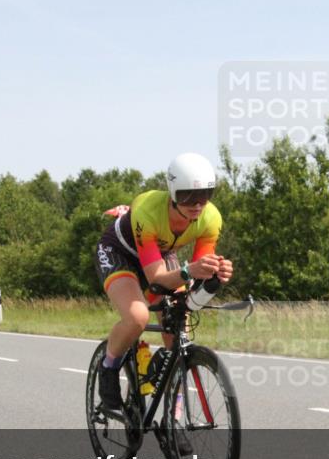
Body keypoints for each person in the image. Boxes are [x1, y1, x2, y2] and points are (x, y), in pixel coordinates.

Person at [94, 153, 233, 410]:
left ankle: (173, 417)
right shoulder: (148, 209)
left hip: (160, 255)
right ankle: (108, 367)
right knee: (138, 317)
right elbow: (156, 280)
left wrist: (216, 274)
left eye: (205, 194)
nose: (197, 204)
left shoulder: (211, 218)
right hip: (120, 253)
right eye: (187, 196)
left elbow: (196, 276)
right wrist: (190, 271)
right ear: (172, 193)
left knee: (179, 324)